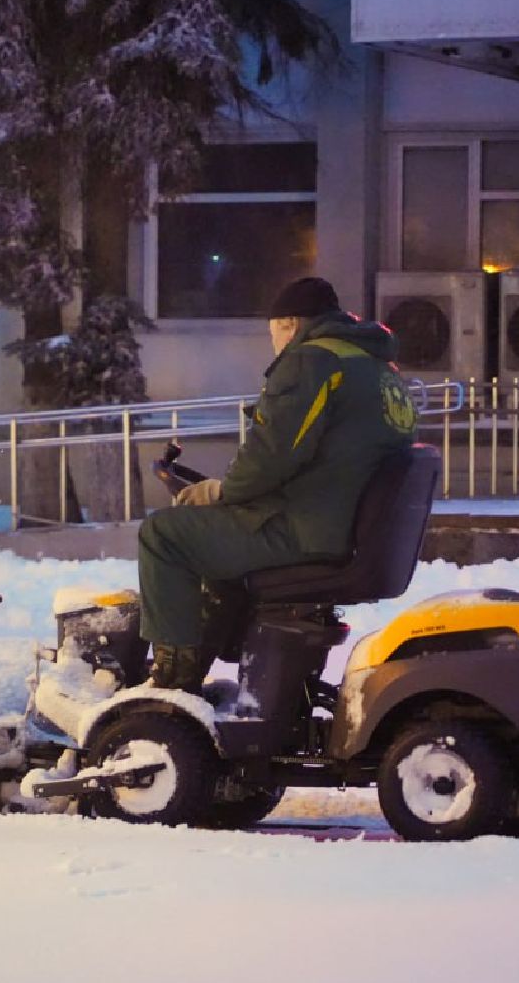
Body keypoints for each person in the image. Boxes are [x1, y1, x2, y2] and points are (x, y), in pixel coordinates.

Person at [139, 276, 418, 692]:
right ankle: (205, 661)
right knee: (211, 544)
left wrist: (219, 491)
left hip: (306, 530)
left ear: (290, 324)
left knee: (163, 535)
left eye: (273, 334)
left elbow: (271, 454)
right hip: (346, 526)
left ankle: (171, 682)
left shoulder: (312, 361)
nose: (274, 347)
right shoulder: (377, 367)